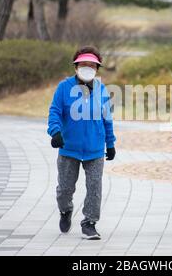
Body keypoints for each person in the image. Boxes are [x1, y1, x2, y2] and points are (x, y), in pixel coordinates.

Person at [47, 46, 116, 240]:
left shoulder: (101, 89)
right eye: (83, 65)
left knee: (95, 187)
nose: (88, 68)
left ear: (97, 68)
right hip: (69, 149)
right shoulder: (64, 87)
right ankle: (65, 210)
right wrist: (55, 132)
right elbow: (55, 112)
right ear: (76, 67)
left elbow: (106, 118)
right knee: (65, 189)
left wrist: (110, 143)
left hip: (95, 149)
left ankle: (89, 223)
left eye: (92, 65)